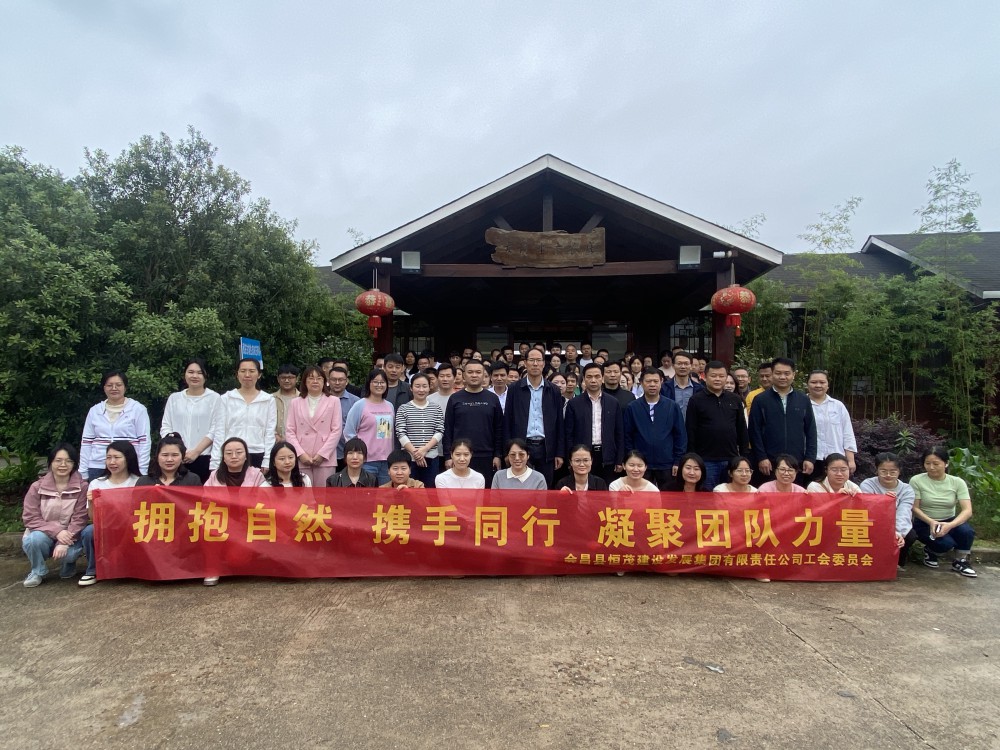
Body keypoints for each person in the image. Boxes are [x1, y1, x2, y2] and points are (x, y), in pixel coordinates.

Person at [21, 444, 88, 588]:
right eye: (58, 460)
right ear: (51, 462)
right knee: (33, 540)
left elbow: (80, 518)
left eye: (68, 461)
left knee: (69, 554)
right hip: (43, 533)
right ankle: (37, 571)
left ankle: (68, 563)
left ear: (74, 464)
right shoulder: (37, 487)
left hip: (71, 535)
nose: (63, 465)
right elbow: (30, 517)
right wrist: (57, 532)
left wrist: (63, 542)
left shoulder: (82, 487)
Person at [79, 441, 142, 586]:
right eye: (108, 458)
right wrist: (91, 502)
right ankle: (92, 570)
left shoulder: (139, 482)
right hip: (106, 527)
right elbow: (93, 518)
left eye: (117, 457)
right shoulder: (97, 483)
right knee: (89, 531)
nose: (112, 462)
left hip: (131, 527)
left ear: (128, 459)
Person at [909, 446, 977, 577]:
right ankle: (930, 551)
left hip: (949, 520)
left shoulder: (957, 482)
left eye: (936, 464)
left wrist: (950, 525)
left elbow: (967, 510)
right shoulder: (916, 480)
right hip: (925, 522)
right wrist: (932, 522)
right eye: (927, 463)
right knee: (945, 544)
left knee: (967, 531)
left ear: (946, 463)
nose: (931, 467)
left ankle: (961, 561)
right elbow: (914, 508)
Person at [748, 358, 816, 487]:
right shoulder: (760, 400)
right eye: (778, 373)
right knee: (768, 495)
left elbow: (811, 430)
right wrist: (761, 457)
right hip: (769, 463)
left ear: (793, 375)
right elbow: (754, 431)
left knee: (795, 496)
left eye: (787, 373)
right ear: (772, 374)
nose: (782, 377)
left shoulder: (803, 399)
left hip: (796, 462)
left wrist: (810, 458)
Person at [504, 349, 565, 488]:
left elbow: (559, 424)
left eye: (539, 360)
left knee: (545, 486)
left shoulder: (553, 390)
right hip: (522, 446)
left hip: (546, 447)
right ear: (525, 363)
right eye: (531, 360)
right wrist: (507, 450)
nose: (535, 364)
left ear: (544, 363)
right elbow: (507, 420)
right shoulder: (514, 389)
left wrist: (559, 452)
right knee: (521, 486)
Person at [685, 360, 750, 489]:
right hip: (705, 459)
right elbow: (690, 430)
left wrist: (743, 457)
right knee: (707, 495)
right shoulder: (696, 400)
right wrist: (692, 457)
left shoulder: (735, 399)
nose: (717, 379)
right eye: (713, 376)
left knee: (730, 494)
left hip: (731, 458)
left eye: (721, 376)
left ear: (726, 377)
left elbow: (742, 429)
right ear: (705, 377)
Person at [623, 367, 687, 490]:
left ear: (661, 382)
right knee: (642, 497)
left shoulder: (672, 406)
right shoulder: (632, 407)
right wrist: (631, 459)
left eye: (656, 381)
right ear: (641, 383)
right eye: (648, 381)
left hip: (667, 463)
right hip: (640, 464)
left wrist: (678, 461)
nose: (652, 385)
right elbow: (627, 436)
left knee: (668, 497)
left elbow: (680, 435)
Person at [80, 370, 151, 479]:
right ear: (104, 388)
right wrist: (83, 472)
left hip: (128, 466)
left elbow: (144, 442)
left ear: (125, 387)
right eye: (109, 385)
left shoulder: (138, 409)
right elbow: (86, 442)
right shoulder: (95, 410)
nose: (114, 388)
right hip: (98, 466)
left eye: (118, 385)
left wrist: (142, 470)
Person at [443, 361, 504, 485]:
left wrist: (498, 455)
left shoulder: (492, 398)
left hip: (487, 456)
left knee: (484, 493)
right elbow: (448, 429)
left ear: (485, 375)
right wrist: (448, 457)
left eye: (478, 372)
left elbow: (499, 429)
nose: (474, 375)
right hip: (460, 456)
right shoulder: (455, 398)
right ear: (464, 375)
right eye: (470, 372)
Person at [160, 358, 220, 483]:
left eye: (199, 372)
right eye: (191, 372)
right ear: (185, 374)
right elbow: (166, 426)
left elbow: (216, 428)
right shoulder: (174, 398)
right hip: (176, 458)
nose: (195, 376)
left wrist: (196, 452)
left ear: (205, 376)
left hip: (204, 457)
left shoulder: (215, 398)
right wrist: (179, 450)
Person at [211, 358, 277, 470]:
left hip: (258, 453)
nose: (247, 375)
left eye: (251, 371)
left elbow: (270, 432)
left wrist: (267, 460)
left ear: (259, 375)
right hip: (232, 454)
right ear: (237, 374)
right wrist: (215, 462)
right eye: (243, 371)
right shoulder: (226, 398)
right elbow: (220, 431)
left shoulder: (268, 400)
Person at [564, 362, 624, 485]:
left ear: (602, 378)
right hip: (583, 456)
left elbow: (619, 433)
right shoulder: (574, 404)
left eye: (597, 376)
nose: (593, 380)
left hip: (607, 456)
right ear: (584, 379)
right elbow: (568, 434)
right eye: (589, 377)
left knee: (606, 490)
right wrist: (570, 458)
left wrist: (619, 459)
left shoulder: (613, 402)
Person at [284, 365, 342, 487]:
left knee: (324, 494)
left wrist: (322, 454)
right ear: (305, 382)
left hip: (325, 457)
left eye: (319, 378)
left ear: (324, 382)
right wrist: (300, 454)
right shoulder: (295, 402)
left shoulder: (334, 401)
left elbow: (336, 430)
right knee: (303, 494)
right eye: (311, 378)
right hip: (302, 456)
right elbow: (290, 430)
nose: (315, 381)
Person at [859, 452, 917, 567]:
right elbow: (868, 508)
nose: (888, 475)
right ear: (877, 470)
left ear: (899, 471)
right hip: (872, 522)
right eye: (883, 471)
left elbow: (904, 513)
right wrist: (884, 501)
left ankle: (898, 563)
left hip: (895, 524)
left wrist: (898, 532)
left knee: (910, 535)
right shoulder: (868, 484)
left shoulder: (906, 490)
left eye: (893, 471)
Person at [344, 369, 395, 485]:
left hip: (386, 460)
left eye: (382, 382)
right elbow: (349, 432)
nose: (379, 385)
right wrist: (357, 454)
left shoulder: (389, 406)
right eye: (375, 382)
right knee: (366, 493)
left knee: (385, 494)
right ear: (369, 383)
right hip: (366, 461)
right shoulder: (360, 405)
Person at [806, 370, 858, 481]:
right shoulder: (800, 404)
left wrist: (850, 460)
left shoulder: (838, 406)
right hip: (809, 460)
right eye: (814, 382)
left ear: (828, 385)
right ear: (807, 384)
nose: (818, 385)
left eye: (822, 382)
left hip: (836, 460)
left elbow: (847, 433)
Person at [395, 372, 445, 486]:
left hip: (431, 457)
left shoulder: (436, 408)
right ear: (411, 388)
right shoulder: (403, 408)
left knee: (429, 491)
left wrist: (424, 449)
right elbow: (400, 433)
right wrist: (416, 453)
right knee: (410, 490)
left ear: (429, 387)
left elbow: (439, 431)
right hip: (409, 459)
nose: (421, 390)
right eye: (417, 386)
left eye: (424, 386)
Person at [136, 433, 203, 487]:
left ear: (182, 457)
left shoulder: (192, 480)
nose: (169, 459)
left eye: (175, 455)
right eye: (165, 455)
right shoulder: (144, 482)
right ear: (157, 457)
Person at [328, 365, 361, 470]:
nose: (337, 383)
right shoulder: (322, 400)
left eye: (341, 380)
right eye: (334, 379)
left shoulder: (356, 402)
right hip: (325, 453)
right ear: (328, 381)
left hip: (347, 453)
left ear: (346, 381)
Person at [662, 351, 703, 418]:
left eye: (686, 364)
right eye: (679, 363)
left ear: (691, 366)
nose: (683, 367)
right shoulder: (664, 388)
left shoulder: (700, 389)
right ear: (673, 366)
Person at [272, 364, 300, 441]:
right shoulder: (271, 398)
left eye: (290, 378)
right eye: (283, 378)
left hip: (299, 443)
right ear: (278, 379)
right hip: (275, 443)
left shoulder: (303, 398)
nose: (287, 381)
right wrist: (276, 436)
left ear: (297, 379)